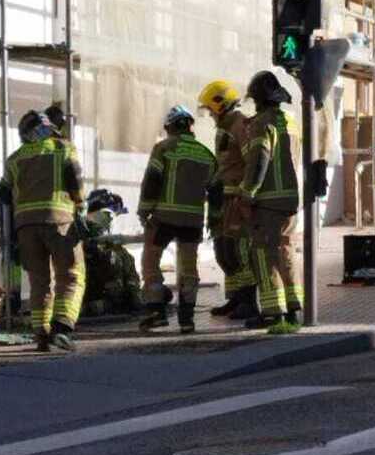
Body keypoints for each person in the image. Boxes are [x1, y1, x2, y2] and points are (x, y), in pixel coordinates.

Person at [0, 110, 86, 352]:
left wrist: (10, 234)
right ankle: (62, 329)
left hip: (25, 228)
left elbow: (3, 196)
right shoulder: (62, 148)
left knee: (39, 282)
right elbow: (75, 181)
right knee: (70, 275)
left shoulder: (14, 159)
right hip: (59, 222)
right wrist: (81, 208)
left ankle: (41, 335)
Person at [137, 104, 216, 334]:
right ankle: (187, 319)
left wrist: (144, 211)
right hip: (193, 220)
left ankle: (156, 312)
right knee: (189, 267)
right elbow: (216, 190)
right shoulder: (206, 154)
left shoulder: (164, 148)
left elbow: (152, 181)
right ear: (190, 127)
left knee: (150, 261)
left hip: (164, 217)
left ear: (170, 127)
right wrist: (213, 219)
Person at [239, 71, 302, 331]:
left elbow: (259, 161)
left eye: (254, 100)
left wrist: (247, 193)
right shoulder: (291, 121)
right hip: (289, 199)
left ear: (259, 99)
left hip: (267, 201)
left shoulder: (262, 123)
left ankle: (273, 312)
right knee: (286, 251)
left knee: (264, 254)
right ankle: (293, 307)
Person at [197, 79, 259, 322]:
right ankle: (236, 298)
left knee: (237, 251)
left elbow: (251, 161)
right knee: (222, 250)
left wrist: (246, 194)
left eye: (211, 109)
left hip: (236, 200)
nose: (209, 114)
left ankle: (248, 301)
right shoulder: (225, 126)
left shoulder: (239, 125)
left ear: (220, 105)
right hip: (224, 199)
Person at [79, 189, 142, 318]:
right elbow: (99, 244)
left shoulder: (86, 220)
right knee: (119, 256)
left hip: (89, 278)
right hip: (95, 273)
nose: (112, 217)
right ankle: (111, 302)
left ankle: (104, 304)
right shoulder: (101, 217)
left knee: (122, 255)